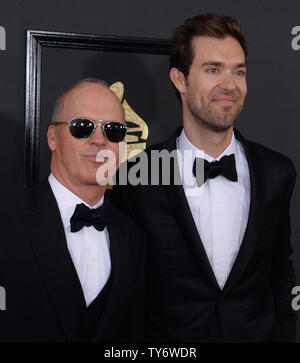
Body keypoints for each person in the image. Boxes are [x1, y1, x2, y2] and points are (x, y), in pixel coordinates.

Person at [113, 14, 297, 342]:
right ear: (180, 80)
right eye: (213, 69)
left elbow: (280, 275)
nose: (229, 84)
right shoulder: (137, 175)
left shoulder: (276, 172)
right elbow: (124, 290)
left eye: (238, 71)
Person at [0, 78, 145, 343]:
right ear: (52, 137)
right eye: (82, 127)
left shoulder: (135, 237)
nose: (99, 140)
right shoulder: (6, 221)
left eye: (113, 130)